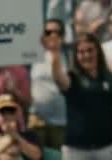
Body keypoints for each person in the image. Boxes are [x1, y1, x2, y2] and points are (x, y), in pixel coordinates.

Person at [51, 32, 112, 160]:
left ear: (98, 51)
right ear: (76, 56)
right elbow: (58, 78)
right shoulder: (72, 77)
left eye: (90, 50)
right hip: (75, 151)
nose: (86, 55)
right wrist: (55, 53)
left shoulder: (109, 77)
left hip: (105, 149)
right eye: (81, 52)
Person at [31, 18, 69, 150]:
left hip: (61, 121)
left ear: (63, 36)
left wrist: (56, 53)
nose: (52, 36)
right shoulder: (31, 56)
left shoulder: (70, 56)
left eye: (57, 32)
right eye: (48, 32)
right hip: (37, 120)